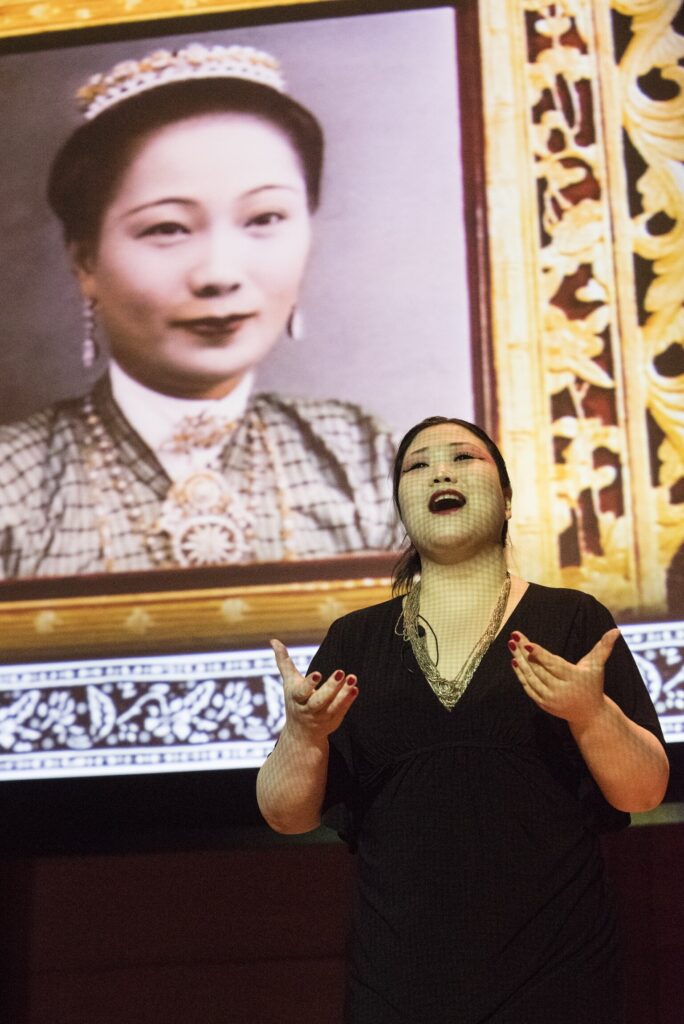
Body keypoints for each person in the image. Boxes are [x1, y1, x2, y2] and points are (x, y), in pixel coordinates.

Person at [257, 416, 670, 1024]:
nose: (440, 472)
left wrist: (589, 713)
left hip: (556, 970)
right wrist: (303, 733)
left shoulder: (572, 620)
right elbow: (285, 815)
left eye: (463, 459)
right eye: (417, 465)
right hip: (399, 977)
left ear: (506, 500)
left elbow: (645, 788)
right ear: (401, 505)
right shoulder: (355, 640)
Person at [0, 43, 400, 578]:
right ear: (85, 260)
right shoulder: (14, 483)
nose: (219, 274)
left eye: (264, 218)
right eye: (167, 228)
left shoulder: (362, 459)